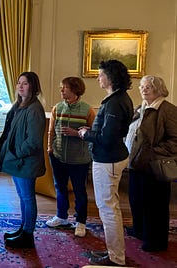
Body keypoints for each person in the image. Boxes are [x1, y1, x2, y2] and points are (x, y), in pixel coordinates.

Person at [78, 60, 133, 266]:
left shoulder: (115, 102)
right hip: (111, 157)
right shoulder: (119, 98)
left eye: (100, 75)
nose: (98, 78)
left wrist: (85, 134)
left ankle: (116, 258)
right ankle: (114, 253)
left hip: (108, 158)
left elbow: (106, 138)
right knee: (110, 208)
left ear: (110, 77)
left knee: (108, 209)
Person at [125, 75, 177, 252]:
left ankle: (157, 240)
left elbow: (175, 140)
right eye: (141, 86)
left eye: (148, 87)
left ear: (158, 89)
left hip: (155, 166)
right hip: (136, 164)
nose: (143, 89)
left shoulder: (168, 110)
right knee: (137, 199)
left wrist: (153, 153)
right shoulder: (141, 107)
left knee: (155, 205)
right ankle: (140, 230)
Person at [0, 71, 46, 249]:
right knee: (23, 197)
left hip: (26, 161)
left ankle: (28, 235)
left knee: (27, 197)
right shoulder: (20, 105)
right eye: (19, 83)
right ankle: (23, 229)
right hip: (19, 161)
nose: (20, 86)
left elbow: (33, 141)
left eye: (24, 83)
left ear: (33, 86)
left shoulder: (34, 109)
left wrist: (16, 152)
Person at [46, 77, 96, 237]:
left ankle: (80, 221)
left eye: (64, 88)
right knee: (60, 188)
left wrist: (76, 134)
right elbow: (51, 131)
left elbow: (93, 134)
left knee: (79, 191)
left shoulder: (88, 110)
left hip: (79, 159)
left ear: (75, 90)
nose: (61, 91)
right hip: (58, 156)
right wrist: (49, 148)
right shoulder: (57, 108)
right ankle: (61, 216)